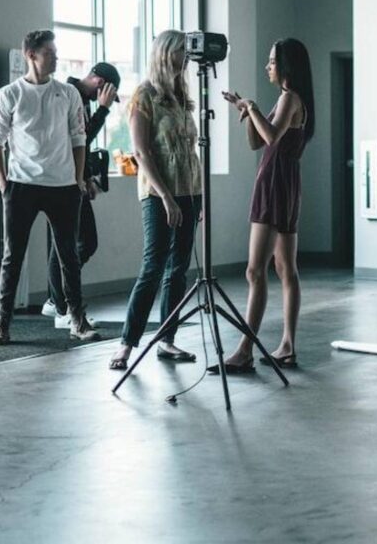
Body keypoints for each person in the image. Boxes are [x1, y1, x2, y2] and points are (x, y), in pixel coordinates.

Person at [0, 29, 100, 345]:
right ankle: (1, 324)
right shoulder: (9, 94)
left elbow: (79, 138)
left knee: (69, 256)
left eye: (55, 52)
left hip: (63, 186)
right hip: (21, 185)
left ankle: (77, 320)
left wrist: (78, 179)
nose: (56, 57)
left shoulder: (69, 93)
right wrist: (2, 183)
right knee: (13, 256)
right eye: (50, 52)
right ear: (31, 55)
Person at [213, 38, 314, 374]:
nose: (267, 66)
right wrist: (246, 110)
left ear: (286, 65)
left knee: (255, 270)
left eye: (272, 61)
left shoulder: (289, 97)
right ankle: (287, 346)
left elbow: (271, 137)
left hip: (274, 186)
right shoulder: (288, 99)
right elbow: (258, 140)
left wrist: (253, 107)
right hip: (283, 184)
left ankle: (245, 350)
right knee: (285, 268)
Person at [109, 31, 202, 370]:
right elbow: (142, 151)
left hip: (189, 190)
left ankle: (168, 340)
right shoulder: (144, 96)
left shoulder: (180, 96)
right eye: (181, 51)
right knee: (153, 267)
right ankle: (126, 344)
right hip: (158, 194)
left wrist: (195, 198)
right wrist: (166, 197)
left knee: (178, 270)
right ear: (165, 54)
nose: (187, 57)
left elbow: (190, 150)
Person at [40, 62, 120, 330]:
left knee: (83, 243)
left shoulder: (81, 98)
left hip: (75, 181)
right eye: (109, 93)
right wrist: (105, 110)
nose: (106, 99)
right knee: (69, 244)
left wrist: (87, 177)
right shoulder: (69, 94)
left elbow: (78, 144)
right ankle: (60, 305)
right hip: (62, 182)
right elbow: (81, 139)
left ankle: (58, 298)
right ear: (101, 83)